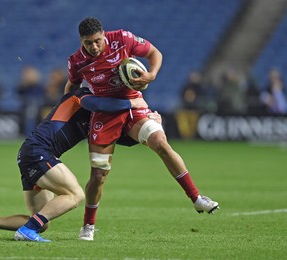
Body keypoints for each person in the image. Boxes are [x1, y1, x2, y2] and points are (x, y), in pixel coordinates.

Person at [64, 17, 219, 241]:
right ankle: (88, 225)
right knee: (98, 175)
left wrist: (152, 74)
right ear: (81, 41)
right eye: (88, 43)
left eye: (97, 41)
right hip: (105, 114)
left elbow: (155, 53)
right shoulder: (76, 62)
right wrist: (66, 109)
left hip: (134, 106)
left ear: (104, 34)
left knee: (161, 144)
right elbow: (72, 88)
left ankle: (196, 198)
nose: (94, 47)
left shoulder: (122, 39)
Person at [0, 87, 154, 242]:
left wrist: (150, 126)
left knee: (41, 221)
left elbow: (123, 138)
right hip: (38, 152)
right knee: (75, 195)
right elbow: (99, 103)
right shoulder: (82, 96)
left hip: (30, 154)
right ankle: (26, 231)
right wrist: (131, 102)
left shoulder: (96, 117)